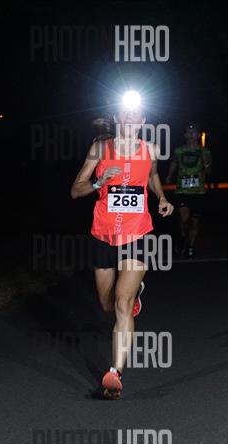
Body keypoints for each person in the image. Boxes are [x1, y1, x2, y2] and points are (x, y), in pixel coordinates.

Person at [70, 99, 173, 399]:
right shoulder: (100, 149)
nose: (129, 118)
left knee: (122, 304)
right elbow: (75, 190)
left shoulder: (150, 149)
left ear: (142, 121)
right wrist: (99, 181)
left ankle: (114, 373)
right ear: (116, 118)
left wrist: (161, 198)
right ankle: (135, 293)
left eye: (135, 115)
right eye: (124, 114)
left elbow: (152, 176)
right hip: (103, 234)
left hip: (137, 233)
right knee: (106, 304)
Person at [165, 124, 212, 258]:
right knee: (184, 219)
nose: (191, 135)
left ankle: (191, 247)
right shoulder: (179, 151)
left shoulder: (204, 151)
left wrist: (206, 163)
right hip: (182, 190)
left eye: (194, 132)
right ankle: (182, 236)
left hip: (198, 191)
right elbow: (174, 163)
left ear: (198, 135)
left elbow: (209, 172)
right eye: (189, 133)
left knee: (195, 222)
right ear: (185, 135)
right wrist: (169, 176)